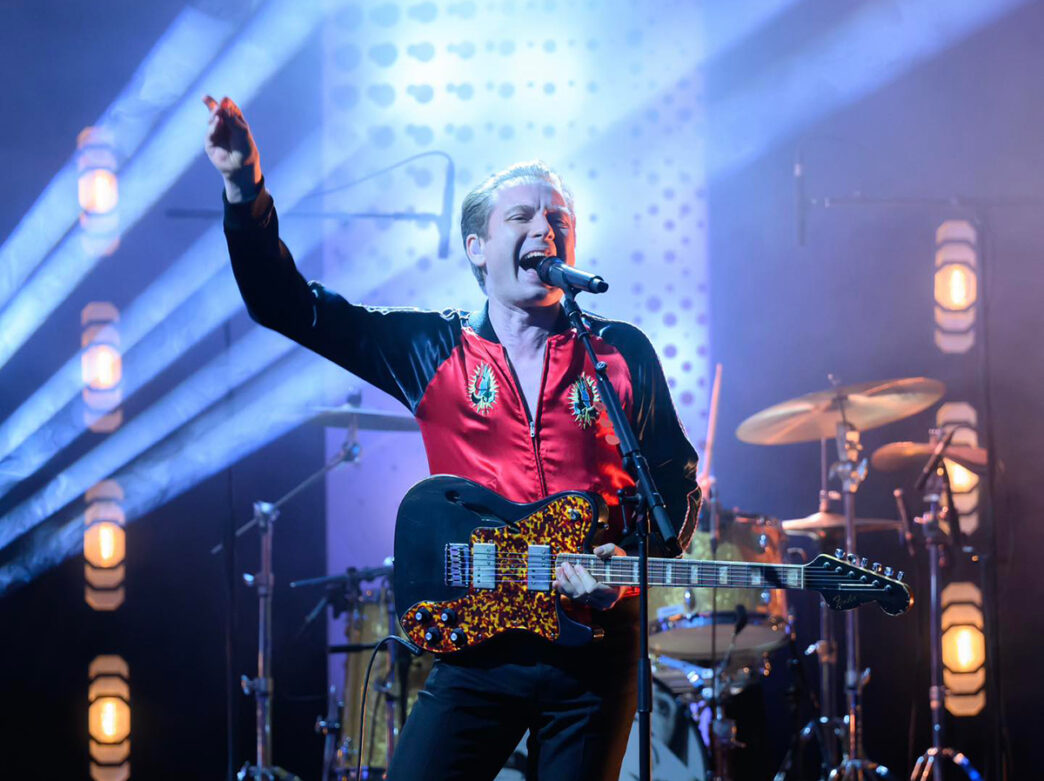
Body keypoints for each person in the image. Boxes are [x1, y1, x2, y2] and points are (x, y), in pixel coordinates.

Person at [205, 94, 701, 780]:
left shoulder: (620, 353)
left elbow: (674, 481)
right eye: (521, 215)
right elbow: (287, 305)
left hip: (594, 649)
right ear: (477, 247)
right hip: (480, 646)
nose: (545, 227)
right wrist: (244, 189)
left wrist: (626, 554)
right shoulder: (431, 348)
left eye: (559, 216)